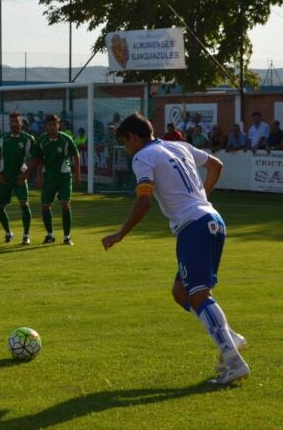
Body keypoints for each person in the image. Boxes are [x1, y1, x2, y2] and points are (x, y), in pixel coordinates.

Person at [101, 113, 249, 385]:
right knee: (181, 292)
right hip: (213, 220)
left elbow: (143, 201)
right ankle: (231, 338)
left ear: (133, 138)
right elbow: (216, 166)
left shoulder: (142, 157)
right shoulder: (178, 145)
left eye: (124, 142)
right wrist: (201, 199)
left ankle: (233, 361)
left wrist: (120, 233)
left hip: (193, 226)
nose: (126, 148)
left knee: (198, 295)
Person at [30, 114, 81, 245]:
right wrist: (39, 176)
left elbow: (76, 155)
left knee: (65, 204)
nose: (52, 127)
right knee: (45, 206)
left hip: (64, 176)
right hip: (48, 177)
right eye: (50, 125)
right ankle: (50, 235)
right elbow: (39, 160)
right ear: (46, 126)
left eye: (55, 124)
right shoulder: (41, 140)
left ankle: (67, 237)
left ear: (58, 125)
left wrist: (77, 174)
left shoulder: (66, 139)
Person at [0, 112, 34, 245]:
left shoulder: (28, 139)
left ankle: (26, 235)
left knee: (24, 204)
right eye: (12, 122)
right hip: (4, 177)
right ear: (9, 123)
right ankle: (8, 233)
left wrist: (25, 174)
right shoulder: (2, 139)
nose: (14, 124)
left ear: (21, 123)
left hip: (19, 178)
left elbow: (34, 159)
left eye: (17, 121)